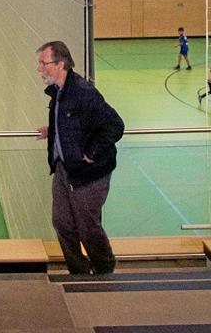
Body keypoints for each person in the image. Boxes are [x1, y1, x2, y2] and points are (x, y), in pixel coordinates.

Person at [36, 40, 124, 277]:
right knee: (62, 223)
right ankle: (79, 272)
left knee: (87, 227)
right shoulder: (58, 91)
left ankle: (105, 269)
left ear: (60, 64)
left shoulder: (84, 93)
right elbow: (70, 122)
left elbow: (115, 126)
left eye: (43, 63)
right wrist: (52, 130)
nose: (39, 69)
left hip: (88, 173)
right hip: (64, 169)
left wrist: (90, 153)